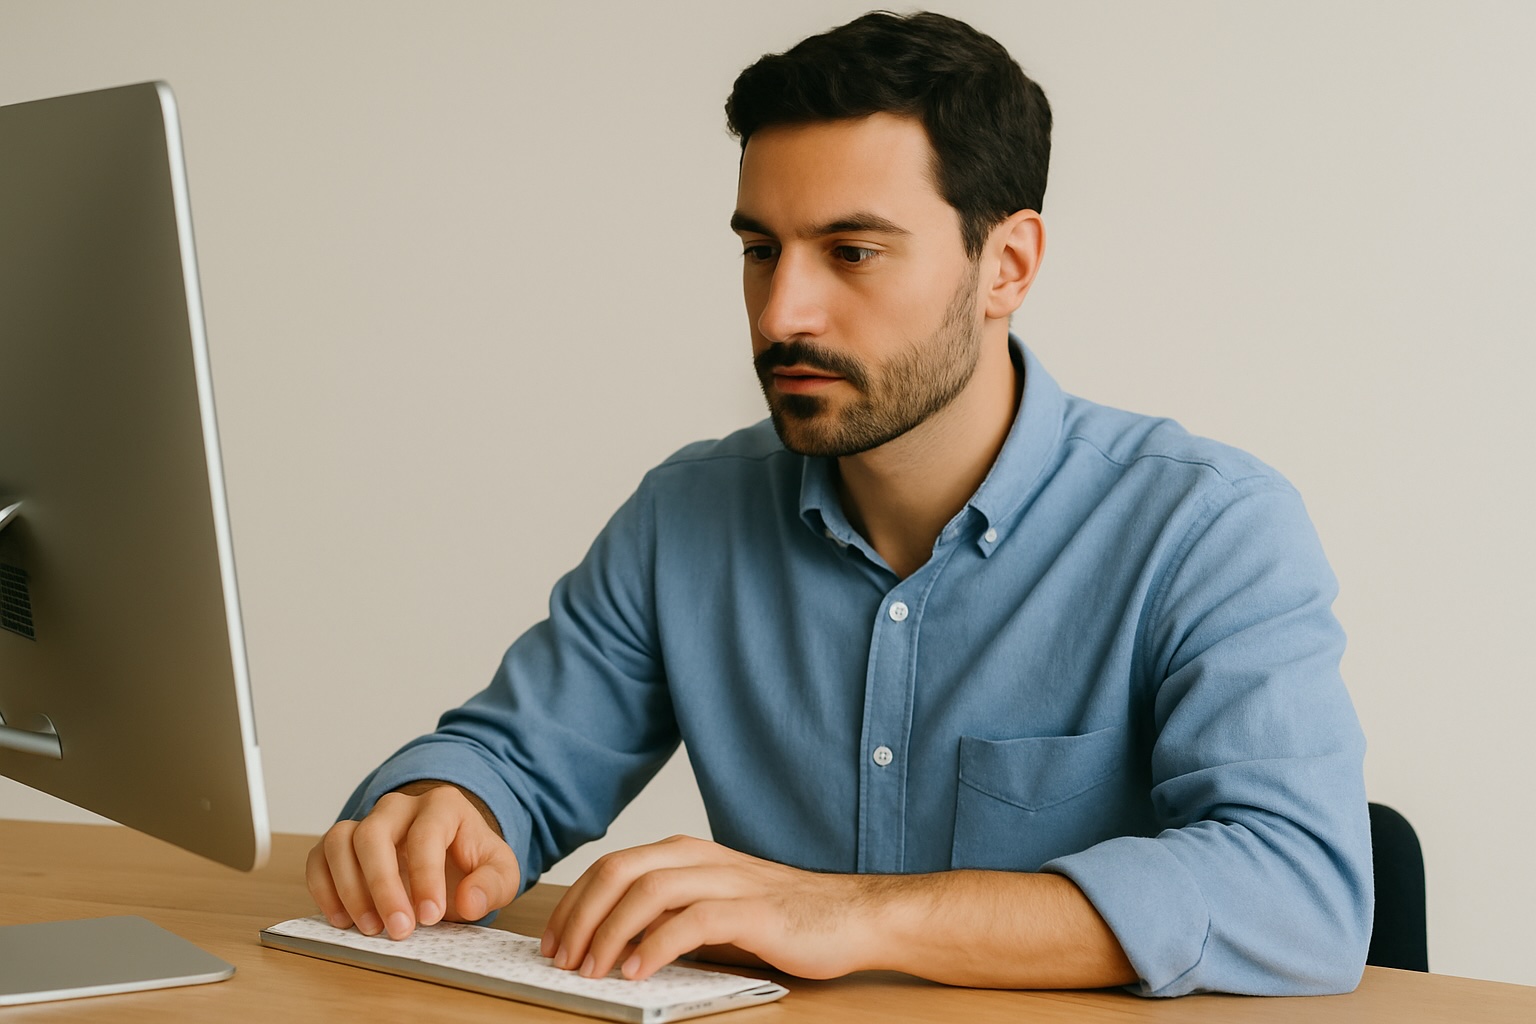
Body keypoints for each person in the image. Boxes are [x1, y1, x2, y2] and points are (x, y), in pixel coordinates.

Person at [306, 11, 1372, 997]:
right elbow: (512, 760)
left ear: (1006, 264)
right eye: (760, 249)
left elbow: (1300, 893)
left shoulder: (1207, 528)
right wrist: (440, 813)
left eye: (851, 252)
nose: (782, 311)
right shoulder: (690, 512)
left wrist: (856, 914)